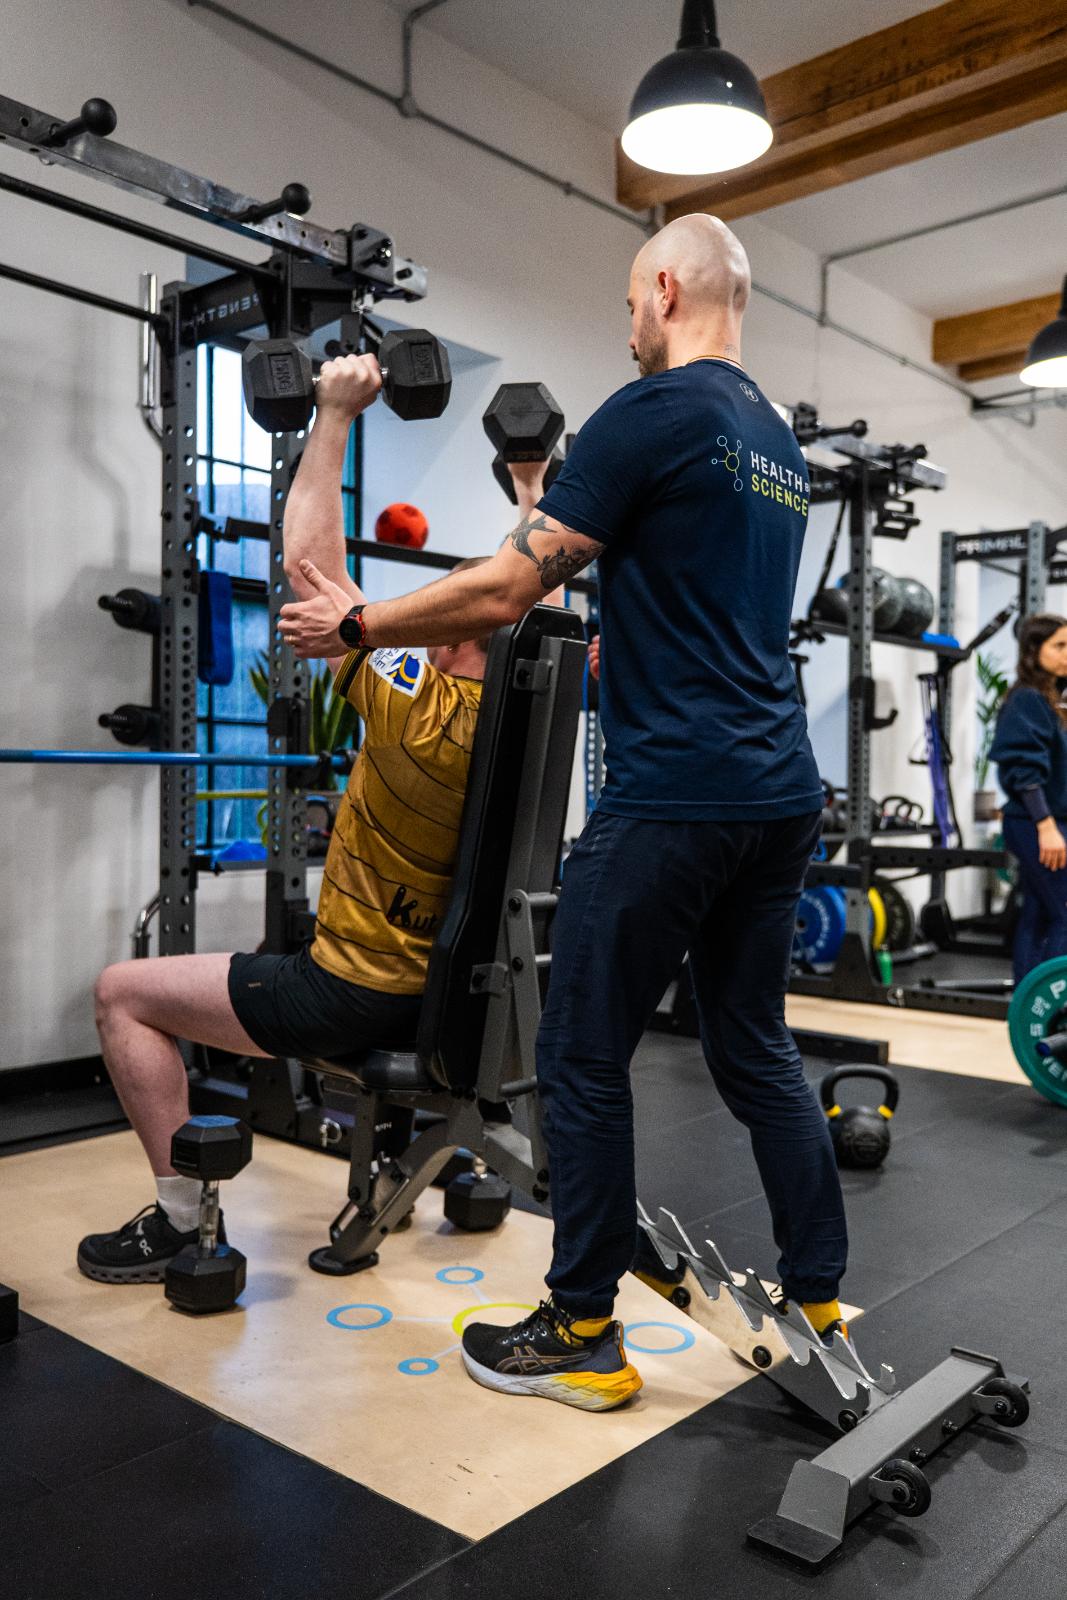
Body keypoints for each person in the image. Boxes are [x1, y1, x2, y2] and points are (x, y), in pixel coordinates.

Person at [277, 213, 849, 1412]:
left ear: (659, 286)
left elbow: (508, 584)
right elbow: (651, 571)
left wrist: (358, 624)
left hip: (673, 794)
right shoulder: (776, 445)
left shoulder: (651, 411)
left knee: (581, 1054)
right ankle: (819, 1296)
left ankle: (581, 1328)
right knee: (754, 1047)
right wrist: (542, 490)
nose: (624, 324)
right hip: (778, 789)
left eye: (627, 303)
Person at [78, 353, 553, 1285]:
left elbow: (310, 573)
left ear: (451, 630)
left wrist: (334, 414)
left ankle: (177, 1218)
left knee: (120, 991)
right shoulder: (527, 710)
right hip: (467, 996)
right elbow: (537, 586)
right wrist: (533, 487)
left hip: (354, 992)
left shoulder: (415, 704)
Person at [990, 613, 1067, 983]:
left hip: (1048, 821)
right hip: (1036, 822)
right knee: (1064, 911)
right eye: (1060, 646)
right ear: (1034, 650)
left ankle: (1029, 1011)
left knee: (1039, 914)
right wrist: (1046, 826)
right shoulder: (1028, 700)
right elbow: (1023, 770)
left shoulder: (1052, 701)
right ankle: (1056, 1011)